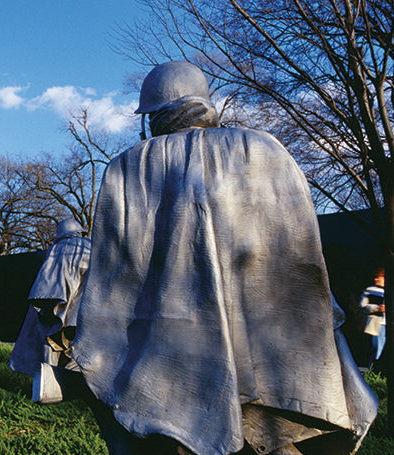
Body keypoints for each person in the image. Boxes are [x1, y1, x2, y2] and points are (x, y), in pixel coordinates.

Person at [72, 61, 376, 455]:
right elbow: (300, 256)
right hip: (263, 339)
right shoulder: (263, 148)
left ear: (154, 113)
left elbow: (116, 273)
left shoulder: (130, 166)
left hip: (168, 349)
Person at [10, 218, 91, 402]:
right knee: (81, 350)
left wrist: (48, 307)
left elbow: (47, 284)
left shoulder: (59, 248)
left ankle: (49, 385)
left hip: (58, 307)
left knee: (49, 342)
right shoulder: (90, 247)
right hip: (86, 310)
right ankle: (76, 386)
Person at [359, 269, 386, 369]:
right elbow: (362, 306)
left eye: (378, 277)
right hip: (377, 324)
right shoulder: (370, 290)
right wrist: (377, 308)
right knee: (376, 349)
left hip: (388, 324)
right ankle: (373, 370)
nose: (376, 279)